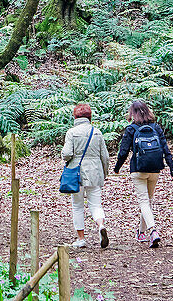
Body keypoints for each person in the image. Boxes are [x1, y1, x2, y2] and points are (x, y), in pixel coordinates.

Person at [112, 99, 173, 248]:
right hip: (155, 169)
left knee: (143, 201)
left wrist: (117, 167)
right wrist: (172, 169)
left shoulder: (131, 129)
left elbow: (123, 152)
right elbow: (166, 149)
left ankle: (153, 230)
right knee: (148, 200)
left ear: (133, 114)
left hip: (138, 169)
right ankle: (141, 232)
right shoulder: (156, 127)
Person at [61, 102, 110, 248]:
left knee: (77, 206)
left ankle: (81, 239)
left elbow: (67, 153)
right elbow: (105, 157)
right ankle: (101, 225)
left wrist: (65, 156)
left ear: (75, 116)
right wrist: (104, 174)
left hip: (76, 173)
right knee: (96, 204)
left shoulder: (71, 132)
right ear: (89, 117)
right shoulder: (97, 132)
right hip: (95, 173)